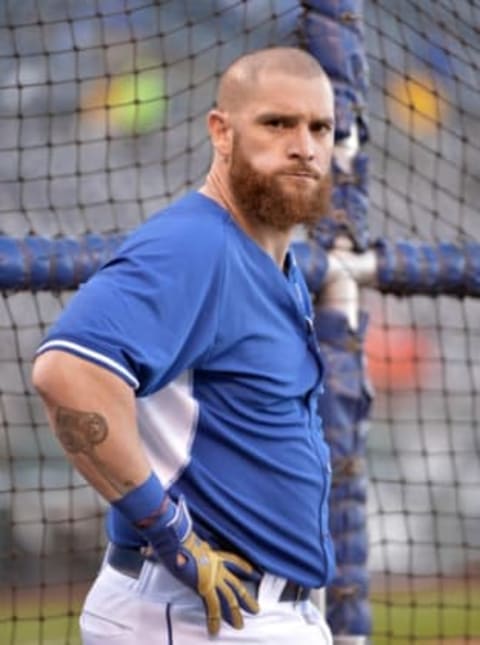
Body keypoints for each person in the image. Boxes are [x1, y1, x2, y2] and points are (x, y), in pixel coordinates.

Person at [32, 46, 336, 645]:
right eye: (277, 123)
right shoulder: (197, 246)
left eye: (319, 127)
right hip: (197, 614)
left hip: (248, 612)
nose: (304, 145)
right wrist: (171, 533)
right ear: (221, 132)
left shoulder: (271, 257)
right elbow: (65, 371)